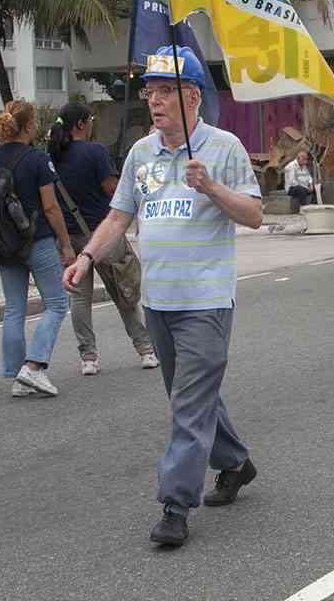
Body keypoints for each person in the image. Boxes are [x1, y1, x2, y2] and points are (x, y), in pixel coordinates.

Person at [63, 55, 263, 547]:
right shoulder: (141, 153)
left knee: (188, 407)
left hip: (206, 301)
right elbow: (119, 217)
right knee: (190, 397)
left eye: (165, 90)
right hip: (158, 302)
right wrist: (86, 257)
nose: (154, 100)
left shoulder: (225, 146)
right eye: (149, 91)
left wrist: (210, 186)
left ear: (192, 96)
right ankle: (236, 462)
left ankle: (175, 505)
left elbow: (254, 214)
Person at [47, 101, 159, 375]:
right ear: (81, 124)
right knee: (124, 291)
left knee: (79, 299)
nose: (92, 125)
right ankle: (145, 350)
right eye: (91, 120)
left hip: (70, 237)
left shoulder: (51, 156)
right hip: (103, 235)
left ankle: (88, 358)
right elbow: (112, 188)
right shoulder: (95, 151)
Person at [0, 100, 74, 398]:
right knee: (57, 304)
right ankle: (34, 367)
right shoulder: (37, 159)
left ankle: (17, 376)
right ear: (28, 126)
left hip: (4, 242)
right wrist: (66, 244)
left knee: (15, 308)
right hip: (36, 239)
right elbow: (50, 207)